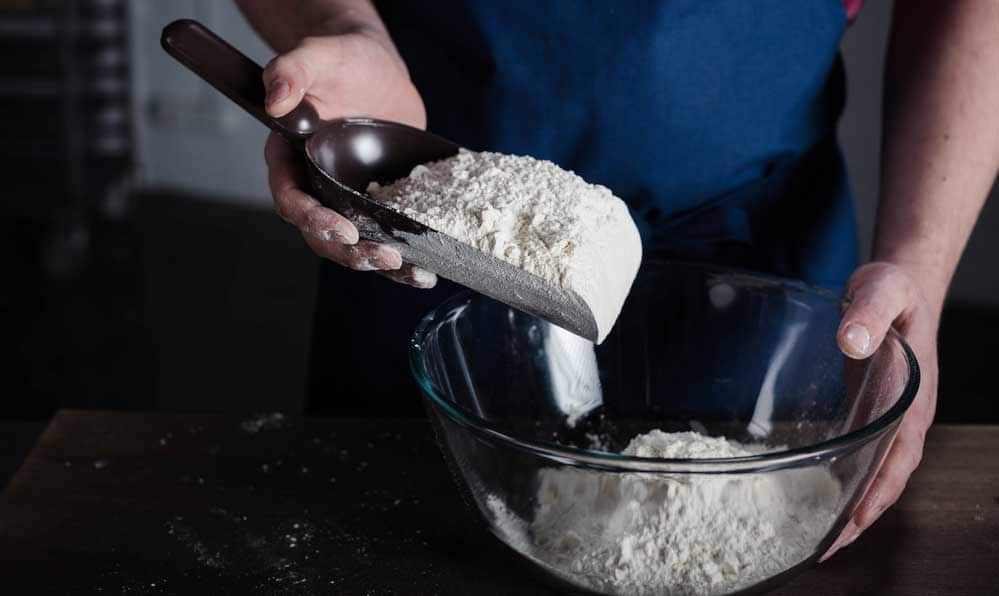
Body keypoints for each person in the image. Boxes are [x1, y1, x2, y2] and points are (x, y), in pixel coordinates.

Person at [234, 0, 999, 560]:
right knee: (400, 547)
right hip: (431, 247)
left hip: (770, 277)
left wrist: (920, 269)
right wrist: (334, 26)